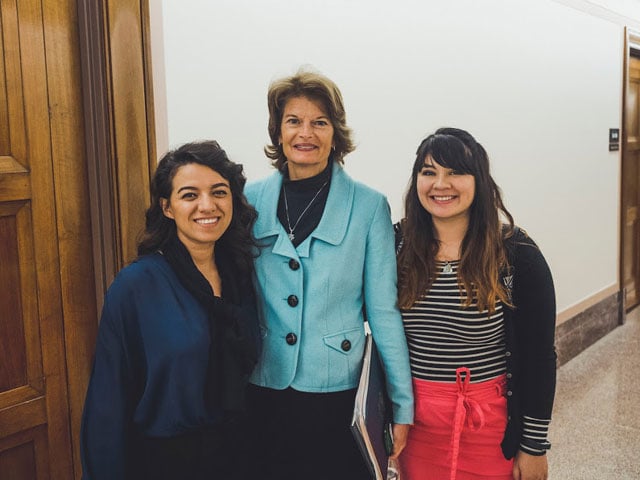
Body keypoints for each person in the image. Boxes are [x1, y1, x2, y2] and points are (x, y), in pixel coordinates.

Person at [245, 68, 414, 480]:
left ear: (335, 133)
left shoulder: (369, 206)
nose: (307, 133)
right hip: (262, 385)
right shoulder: (247, 202)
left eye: (320, 122)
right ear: (278, 131)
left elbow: (384, 311)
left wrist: (401, 403)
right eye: (294, 121)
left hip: (337, 393)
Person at [80, 140, 260, 480]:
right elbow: (108, 404)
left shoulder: (242, 276)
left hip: (240, 455)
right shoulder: (136, 286)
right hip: (166, 463)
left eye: (219, 192)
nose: (207, 205)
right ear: (167, 207)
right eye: (189, 195)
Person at [396, 128, 556, 480]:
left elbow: (539, 355)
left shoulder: (516, 254)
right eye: (429, 172)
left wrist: (533, 446)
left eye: (455, 172)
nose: (441, 184)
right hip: (411, 428)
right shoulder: (397, 245)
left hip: (489, 429)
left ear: (479, 181)